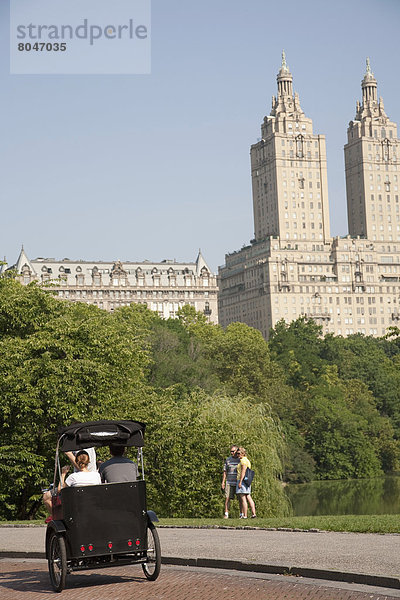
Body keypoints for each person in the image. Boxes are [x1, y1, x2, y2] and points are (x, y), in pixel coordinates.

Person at [236, 447, 256, 519]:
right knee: (248, 496)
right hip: (247, 481)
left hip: (242, 480)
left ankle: (245, 515)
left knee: (243, 498)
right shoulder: (247, 460)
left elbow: (243, 471)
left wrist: (240, 482)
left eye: (239, 453)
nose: (238, 455)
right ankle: (253, 514)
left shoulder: (243, 461)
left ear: (243, 453)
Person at [221, 445, 240, 519]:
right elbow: (225, 471)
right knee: (227, 498)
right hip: (229, 481)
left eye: (233, 451)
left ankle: (241, 514)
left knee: (240, 499)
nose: (232, 453)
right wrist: (223, 482)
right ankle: (226, 514)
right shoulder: (228, 460)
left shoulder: (240, 460)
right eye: (231, 451)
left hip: (237, 482)